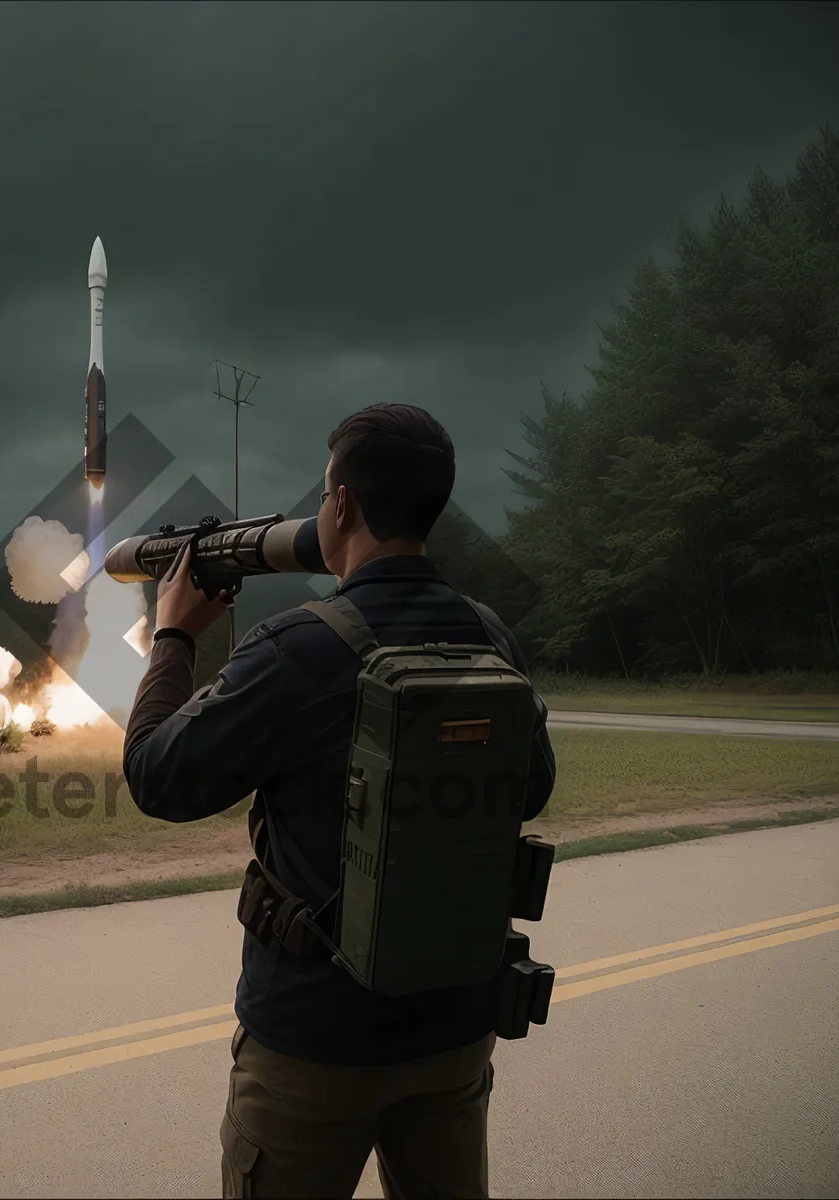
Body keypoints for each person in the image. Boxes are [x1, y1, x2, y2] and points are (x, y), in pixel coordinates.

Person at [123, 403, 557, 1200]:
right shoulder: (493, 635)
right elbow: (533, 787)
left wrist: (175, 637)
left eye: (326, 491)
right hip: (455, 1032)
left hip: (312, 1049)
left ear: (342, 505)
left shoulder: (298, 646)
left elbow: (157, 776)